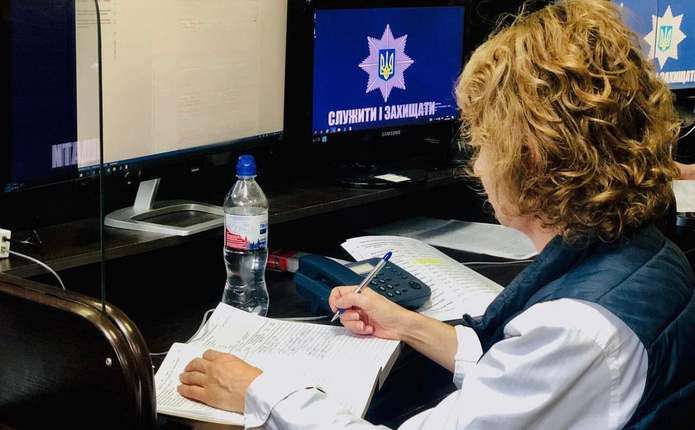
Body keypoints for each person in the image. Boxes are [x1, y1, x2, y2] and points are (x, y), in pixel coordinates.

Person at [177, 0, 695, 428]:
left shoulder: (576, 331)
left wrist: (261, 393)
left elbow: (543, 365)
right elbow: (522, 377)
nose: (476, 164)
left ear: (530, 158)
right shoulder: (645, 254)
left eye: (483, 142)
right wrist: (409, 325)